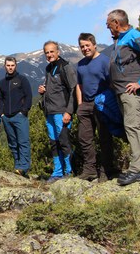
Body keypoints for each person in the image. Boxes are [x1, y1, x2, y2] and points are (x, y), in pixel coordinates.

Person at [106, 9, 140, 186]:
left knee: (133, 127)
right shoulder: (120, 39)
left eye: (109, 25)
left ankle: (138, 169)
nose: (109, 29)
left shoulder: (134, 35)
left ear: (117, 23)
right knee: (129, 127)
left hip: (131, 92)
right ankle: (139, 168)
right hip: (121, 91)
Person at [76, 33, 116, 182]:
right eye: (82, 46)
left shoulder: (105, 61)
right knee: (85, 138)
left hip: (102, 103)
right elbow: (78, 85)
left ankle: (106, 169)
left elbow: (112, 83)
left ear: (94, 45)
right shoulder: (80, 64)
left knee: (104, 138)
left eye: (87, 45)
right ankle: (89, 170)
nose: (85, 49)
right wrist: (80, 105)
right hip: (85, 105)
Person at [38, 41, 77, 183]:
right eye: (47, 52)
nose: (49, 55)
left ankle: (69, 171)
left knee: (64, 142)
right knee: (54, 143)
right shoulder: (48, 68)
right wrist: (43, 90)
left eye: (51, 51)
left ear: (58, 52)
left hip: (62, 111)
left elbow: (74, 89)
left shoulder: (65, 67)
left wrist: (69, 112)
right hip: (49, 112)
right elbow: (53, 88)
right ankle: (57, 172)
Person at [0, 56, 32, 177]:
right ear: (4, 66)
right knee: (13, 143)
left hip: (19, 116)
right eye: (8, 65)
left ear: (15, 66)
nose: (10, 67)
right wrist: (1, 114)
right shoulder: (1, 83)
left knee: (23, 142)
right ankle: (17, 166)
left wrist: (24, 111)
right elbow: (0, 99)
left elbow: (29, 96)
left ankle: (24, 167)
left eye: (12, 65)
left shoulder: (22, 79)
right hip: (6, 117)